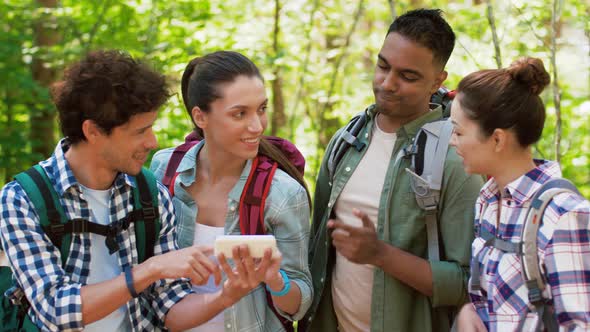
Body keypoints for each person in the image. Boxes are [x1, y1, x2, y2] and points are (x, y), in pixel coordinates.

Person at [0, 50, 234, 331]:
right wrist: (149, 270)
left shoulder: (152, 196)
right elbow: (56, 309)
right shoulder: (22, 200)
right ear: (93, 131)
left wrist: (227, 295)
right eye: (140, 131)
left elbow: (170, 307)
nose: (152, 141)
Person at [303, 8, 485, 332]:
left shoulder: (455, 160)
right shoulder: (345, 142)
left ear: (438, 81)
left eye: (408, 76)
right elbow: (317, 251)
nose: (387, 83)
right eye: (382, 66)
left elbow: (469, 283)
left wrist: (380, 254)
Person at [149, 50, 313, 332]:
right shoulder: (165, 170)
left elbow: (299, 304)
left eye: (261, 109)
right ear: (200, 117)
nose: (257, 125)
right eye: (240, 114)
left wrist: (276, 280)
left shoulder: (283, 194)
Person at [451, 57, 590, 331]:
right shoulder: (488, 201)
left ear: (498, 139)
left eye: (458, 131)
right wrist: (470, 311)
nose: (452, 140)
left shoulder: (564, 215)